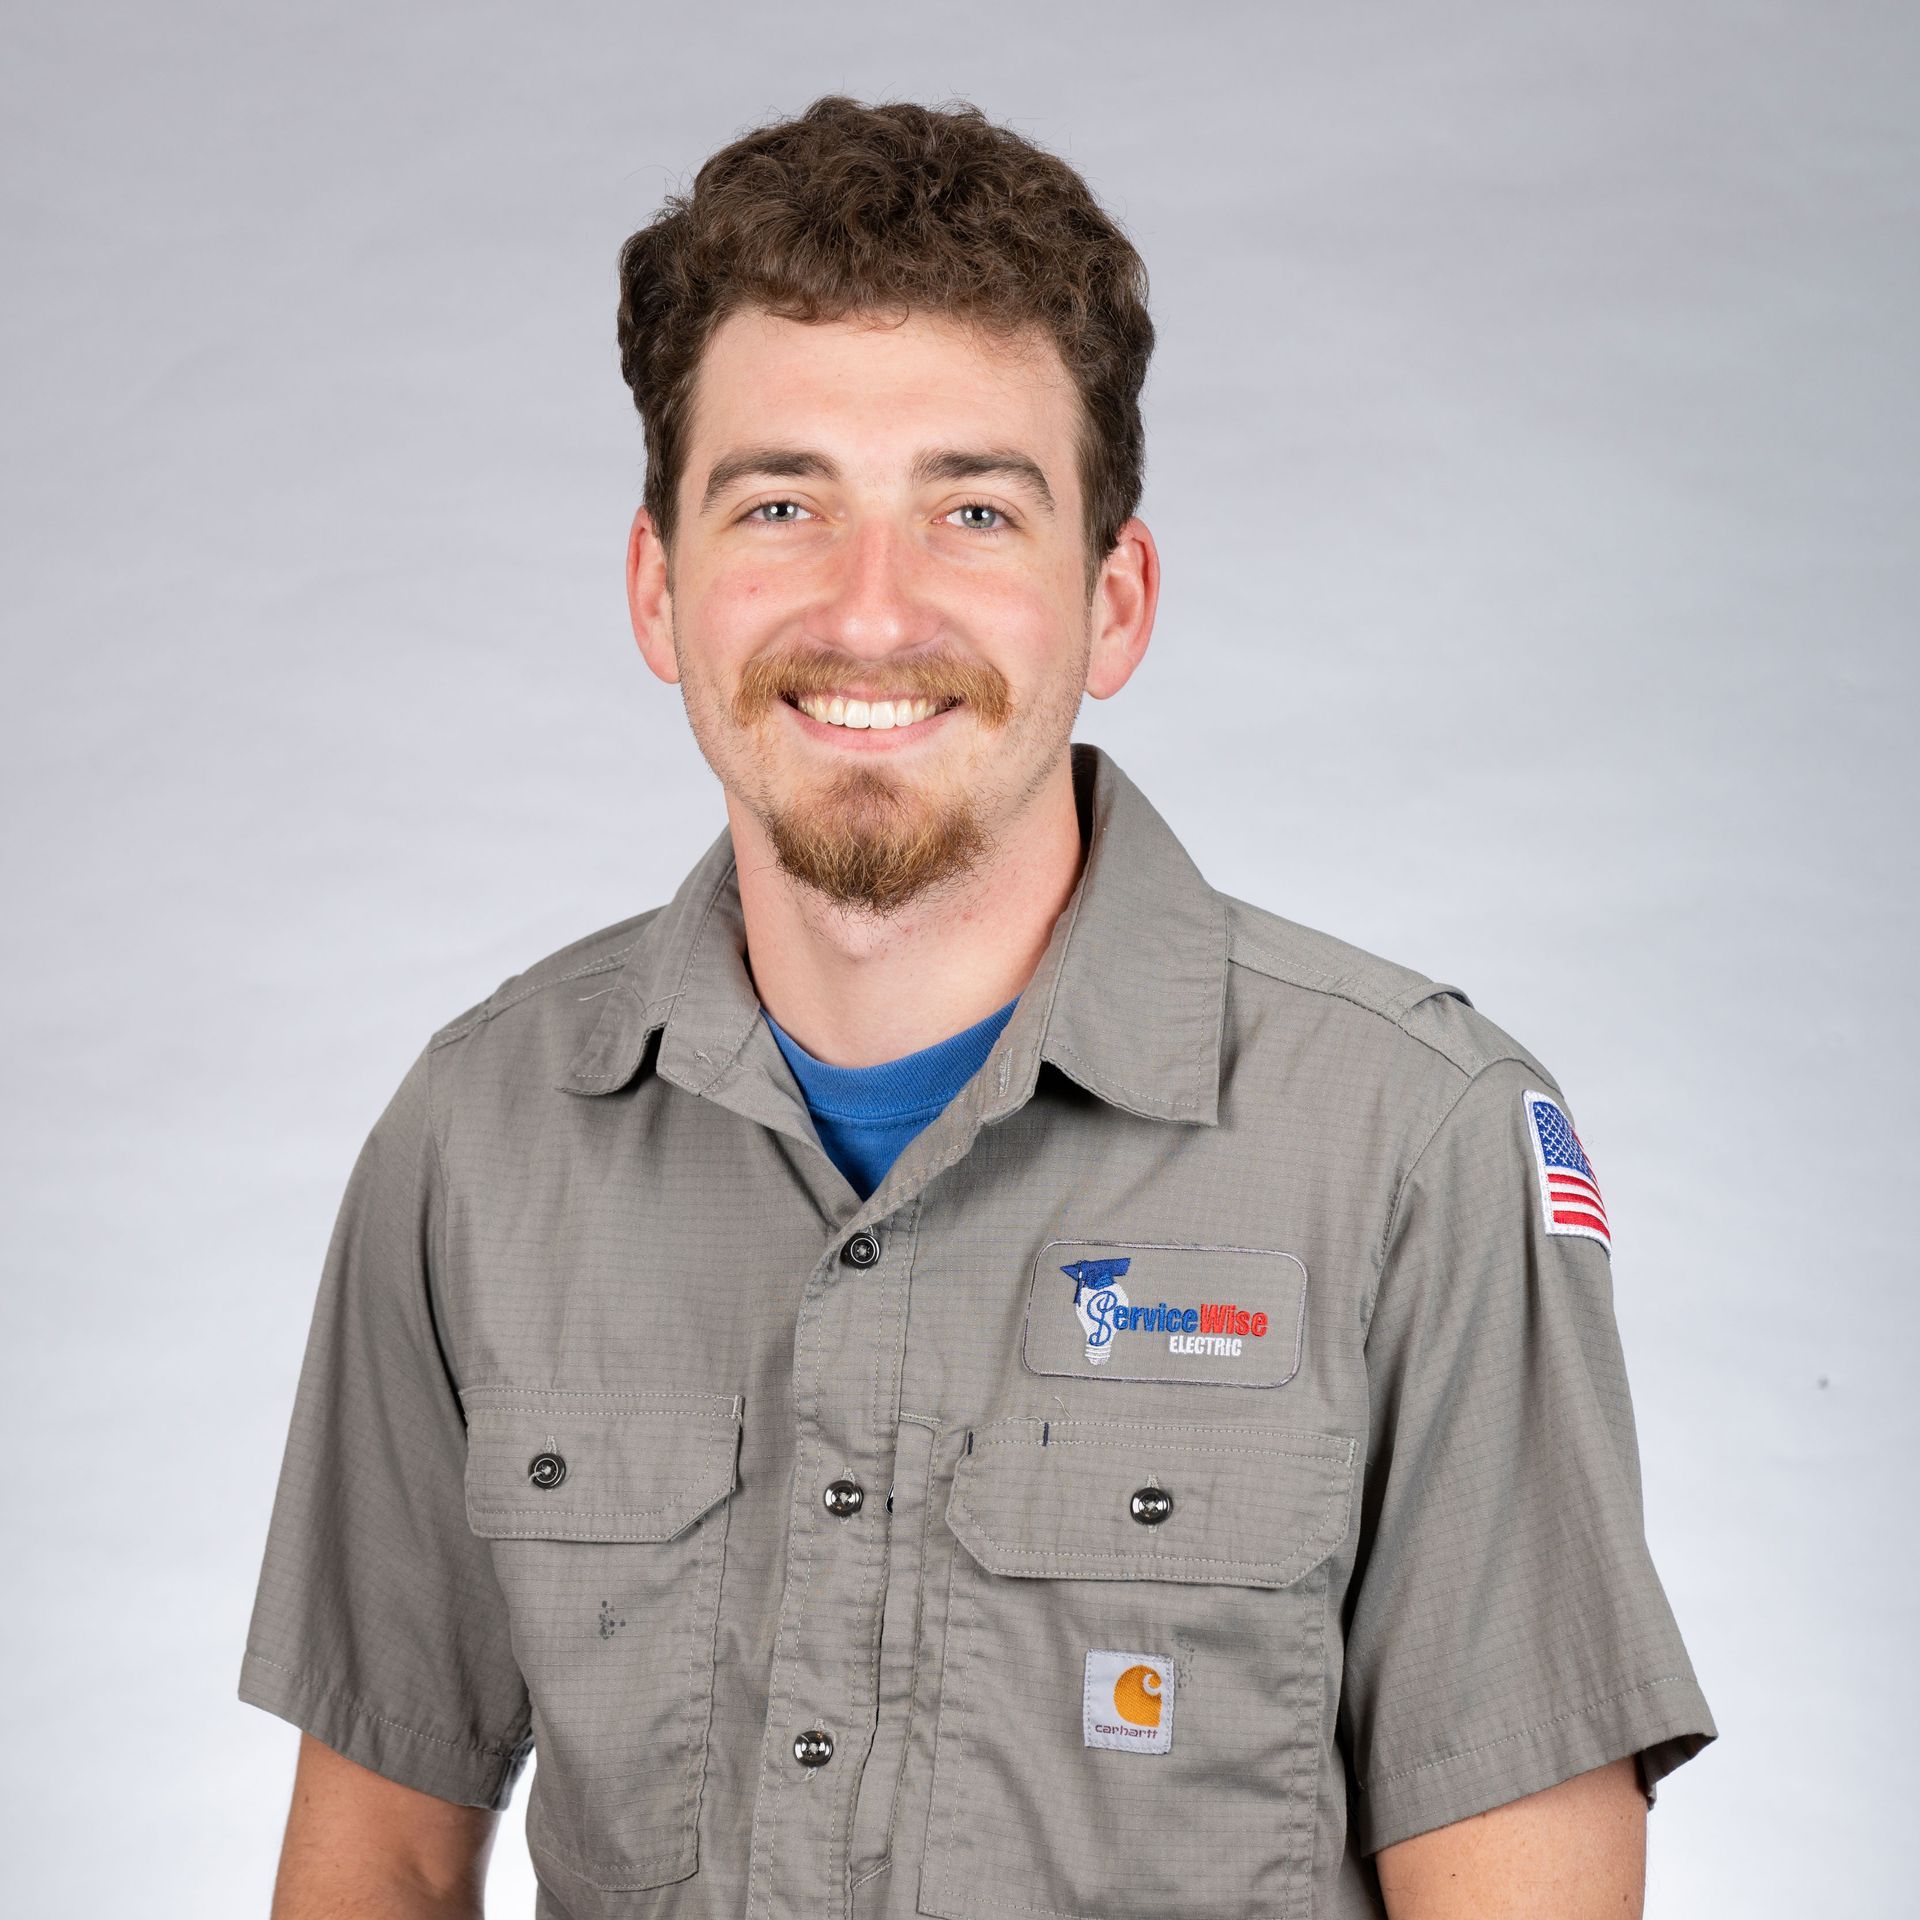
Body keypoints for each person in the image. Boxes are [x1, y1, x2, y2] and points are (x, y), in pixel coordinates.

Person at [239, 94, 1716, 1920]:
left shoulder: (1414, 1147)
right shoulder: (476, 1141)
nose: (873, 613)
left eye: (972, 510)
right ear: (660, 590)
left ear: (1114, 603)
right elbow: (373, 1857)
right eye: (782, 505)